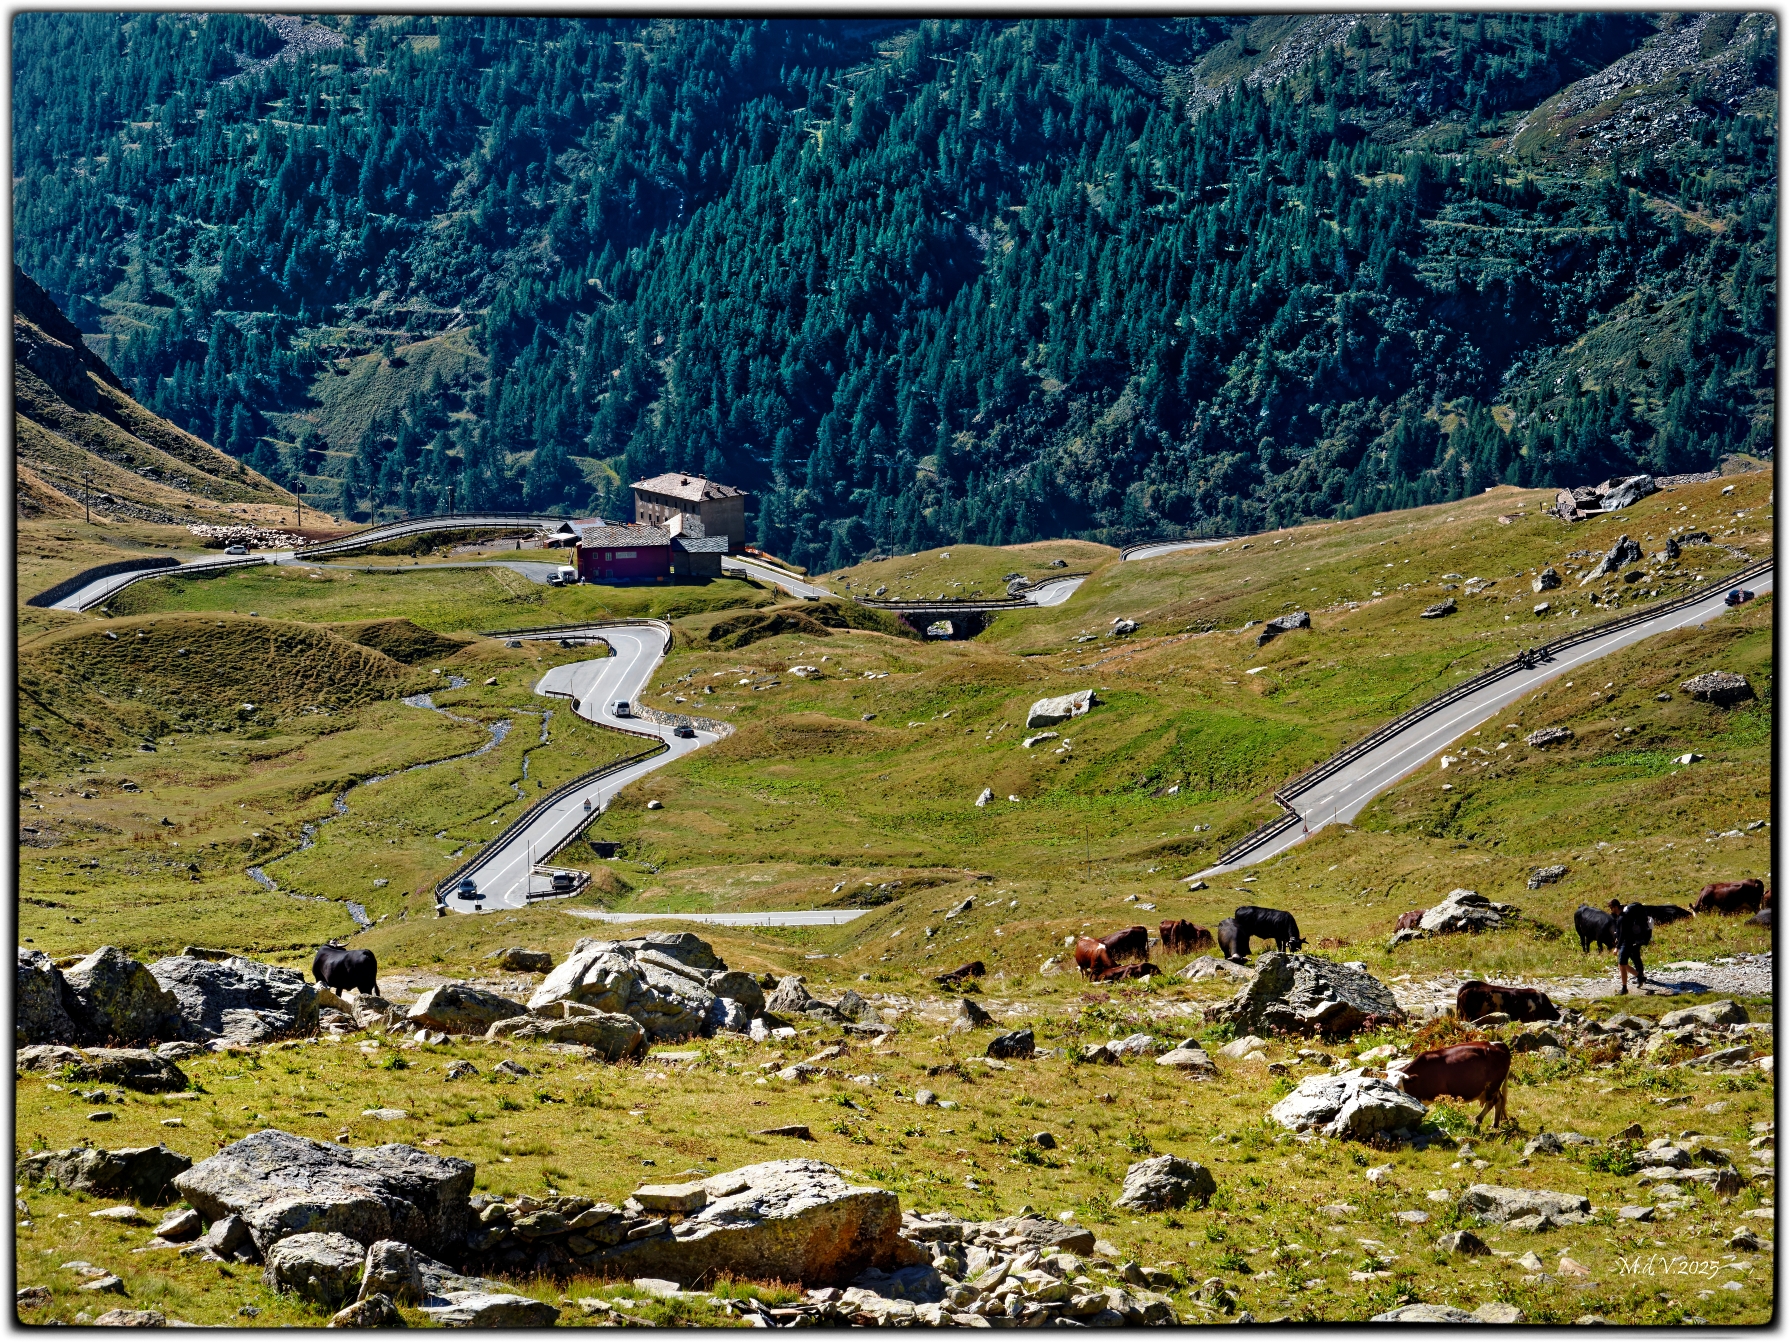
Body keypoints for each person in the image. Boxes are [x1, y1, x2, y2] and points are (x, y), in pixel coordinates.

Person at [1609, 898, 1652, 994]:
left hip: (1626, 943)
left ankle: (1625, 988)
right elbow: (1621, 932)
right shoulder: (1622, 916)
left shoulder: (1622, 918)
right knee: (1622, 964)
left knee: (1622, 964)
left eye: (1611, 907)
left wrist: (1617, 947)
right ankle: (1640, 977)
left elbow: (1623, 934)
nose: (1611, 910)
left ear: (1616, 907)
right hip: (1628, 942)